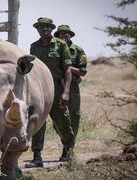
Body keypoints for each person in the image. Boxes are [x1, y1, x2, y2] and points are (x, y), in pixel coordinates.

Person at [25, 17, 75, 168]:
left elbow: (67, 69)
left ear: (52, 29)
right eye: (41, 27)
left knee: (62, 122)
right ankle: (37, 156)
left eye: (47, 27)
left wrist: (66, 92)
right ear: (37, 29)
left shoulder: (60, 45)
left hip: (57, 89)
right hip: (39, 91)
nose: (44, 29)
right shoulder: (34, 47)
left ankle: (68, 152)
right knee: (37, 122)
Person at [54, 25, 87, 159]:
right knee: (58, 122)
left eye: (66, 34)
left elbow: (83, 71)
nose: (64, 36)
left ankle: (68, 151)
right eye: (61, 34)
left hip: (72, 88)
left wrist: (67, 66)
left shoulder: (77, 50)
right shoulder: (54, 49)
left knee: (73, 118)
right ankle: (66, 142)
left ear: (70, 35)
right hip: (57, 87)